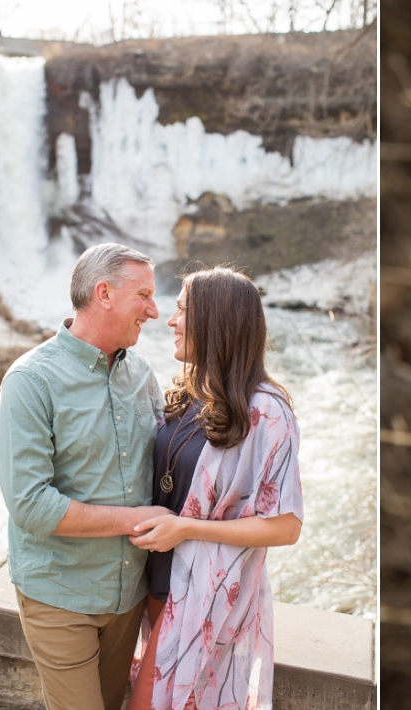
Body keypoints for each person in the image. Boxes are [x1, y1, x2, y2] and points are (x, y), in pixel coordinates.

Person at [0, 243, 174, 710]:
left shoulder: (143, 375)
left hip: (128, 596)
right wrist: (136, 520)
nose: (154, 311)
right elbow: (31, 505)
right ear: (105, 293)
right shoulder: (30, 381)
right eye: (145, 296)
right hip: (60, 595)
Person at [126, 266, 303, 710]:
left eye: (182, 309)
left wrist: (187, 529)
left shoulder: (266, 410)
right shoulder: (190, 393)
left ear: (215, 320)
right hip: (152, 587)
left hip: (200, 596)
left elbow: (284, 527)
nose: (170, 320)